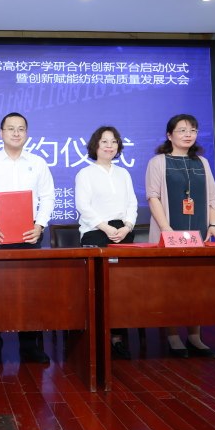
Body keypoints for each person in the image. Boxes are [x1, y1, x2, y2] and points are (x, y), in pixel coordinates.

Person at [0, 112, 55, 365]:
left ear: (27, 133)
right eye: (11, 128)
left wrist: (40, 225)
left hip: (29, 235)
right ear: (1, 133)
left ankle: (29, 345)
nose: (16, 133)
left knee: (30, 292)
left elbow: (48, 196)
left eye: (21, 129)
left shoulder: (38, 163)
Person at [145, 113, 215, 358]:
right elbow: (153, 197)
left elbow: (212, 197)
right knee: (170, 285)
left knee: (196, 285)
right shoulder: (158, 162)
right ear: (169, 135)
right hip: (169, 231)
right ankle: (172, 336)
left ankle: (195, 337)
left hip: (198, 232)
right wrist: (165, 228)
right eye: (182, 130)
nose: (188, 134)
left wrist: (214, 225)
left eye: (193, 130)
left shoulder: (202, 162)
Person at [74, 126, 137, 360]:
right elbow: (83, 206)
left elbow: (132, 203)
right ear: (95, 145)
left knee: (122, 289)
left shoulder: (124, 173)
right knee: (99, 288)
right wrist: (106, 227)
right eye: (104, 141)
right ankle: (97, 339)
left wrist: (127, 226)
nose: (110, 146)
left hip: (123, 232)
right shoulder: (85, 174)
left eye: (114, 142)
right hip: (96, 232)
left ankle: (117, 339)